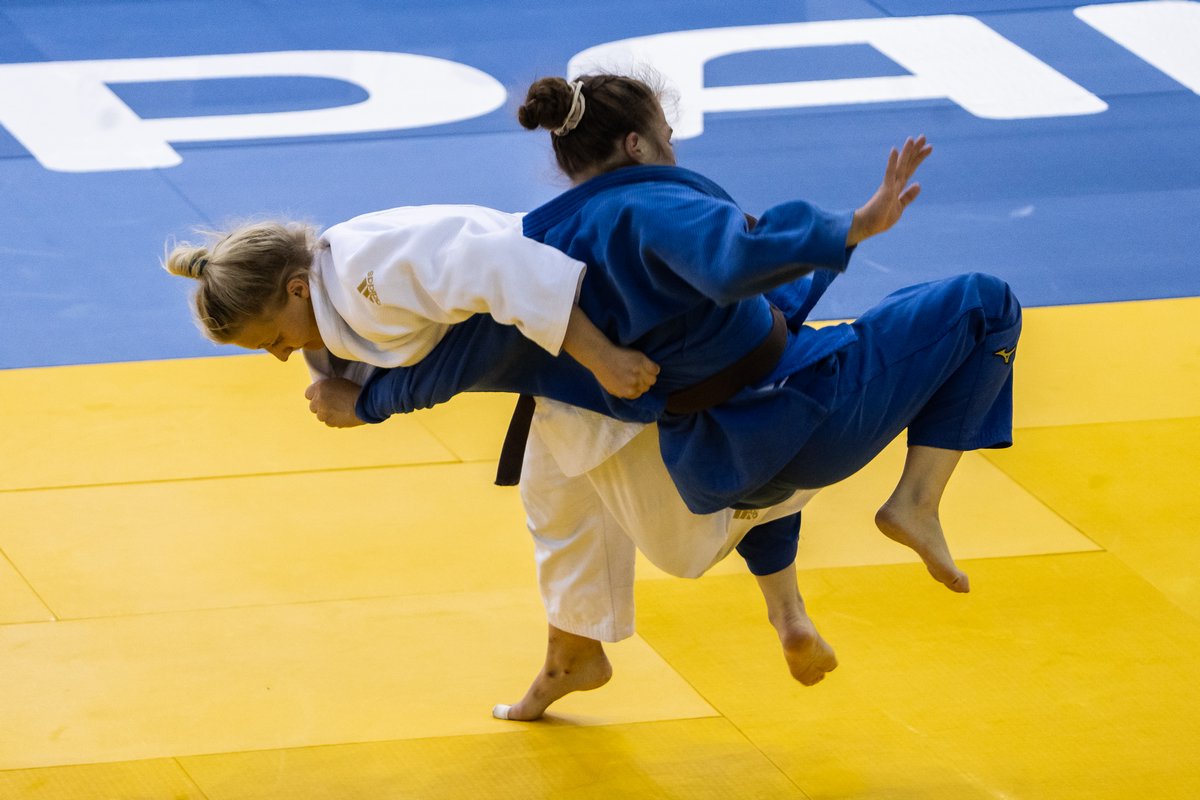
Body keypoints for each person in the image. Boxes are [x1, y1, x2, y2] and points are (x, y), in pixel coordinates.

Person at [164, 206, 840, 721]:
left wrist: (371, 404)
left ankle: (802, 452)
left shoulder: (370, 277)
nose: (281, 355)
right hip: (563, 364)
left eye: (273, 340)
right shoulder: (337, 293)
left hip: (611, 341)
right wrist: (358, 393)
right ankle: (574, 654)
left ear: (294, 289)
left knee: (685, 546)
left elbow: (503, 285)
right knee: (556, 501)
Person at [511, 72, 1022, 596]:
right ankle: (917, 501)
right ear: (636, 145)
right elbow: (735, 261)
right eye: (667, 135)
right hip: (800, 419)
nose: (673, 148)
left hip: (716, 466)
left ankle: (787, 613)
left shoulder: (549, 246)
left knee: (886, 314)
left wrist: (599, 358)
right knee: (987, 305)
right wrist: (858, 225)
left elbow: (511, 322)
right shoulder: (652, 205)